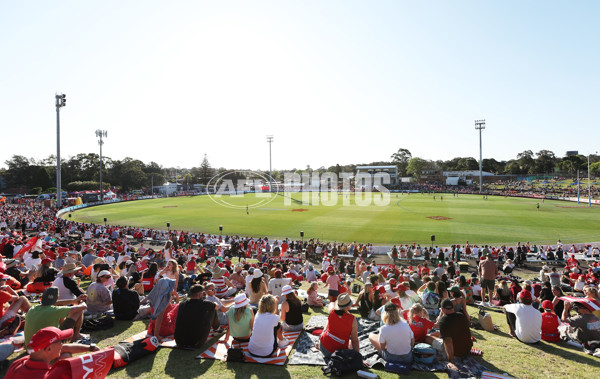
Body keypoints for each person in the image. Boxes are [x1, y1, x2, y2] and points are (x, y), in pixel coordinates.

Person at [6, 327, 100, 379]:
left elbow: (64, 348)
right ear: (49, 349)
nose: (62, 344)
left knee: (66, 355)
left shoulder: (18, 363)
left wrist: (91, 348)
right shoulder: (53, 376)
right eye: (60, 342)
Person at [174, 284, 220, 349]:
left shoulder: (182, 304)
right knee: (212, 309)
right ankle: (217, 330)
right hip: (196, 342)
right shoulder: (205, 304)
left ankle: (216, 329)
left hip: (179, 341)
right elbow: (217, 306)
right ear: (200, 294)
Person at [319, 293, 359, 358]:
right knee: (350, 343)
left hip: (324, 347)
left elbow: (331, 304)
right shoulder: (352, 319)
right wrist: (358, 358)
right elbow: (355, 340)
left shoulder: (332, 312)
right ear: (348, 307)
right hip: (338, 354)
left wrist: (324, 331)